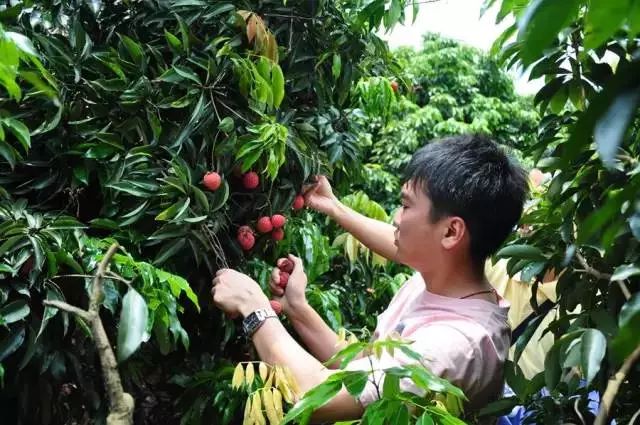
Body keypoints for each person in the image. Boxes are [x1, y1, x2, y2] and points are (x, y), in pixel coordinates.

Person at [211, 134, 529, 421]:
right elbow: (365, 371)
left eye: (406, 206)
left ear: (450, 231)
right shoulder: (445, 277)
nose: (396, 217)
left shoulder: (451, 346)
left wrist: (254, 308)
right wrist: (298, 309)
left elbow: (316, 397)